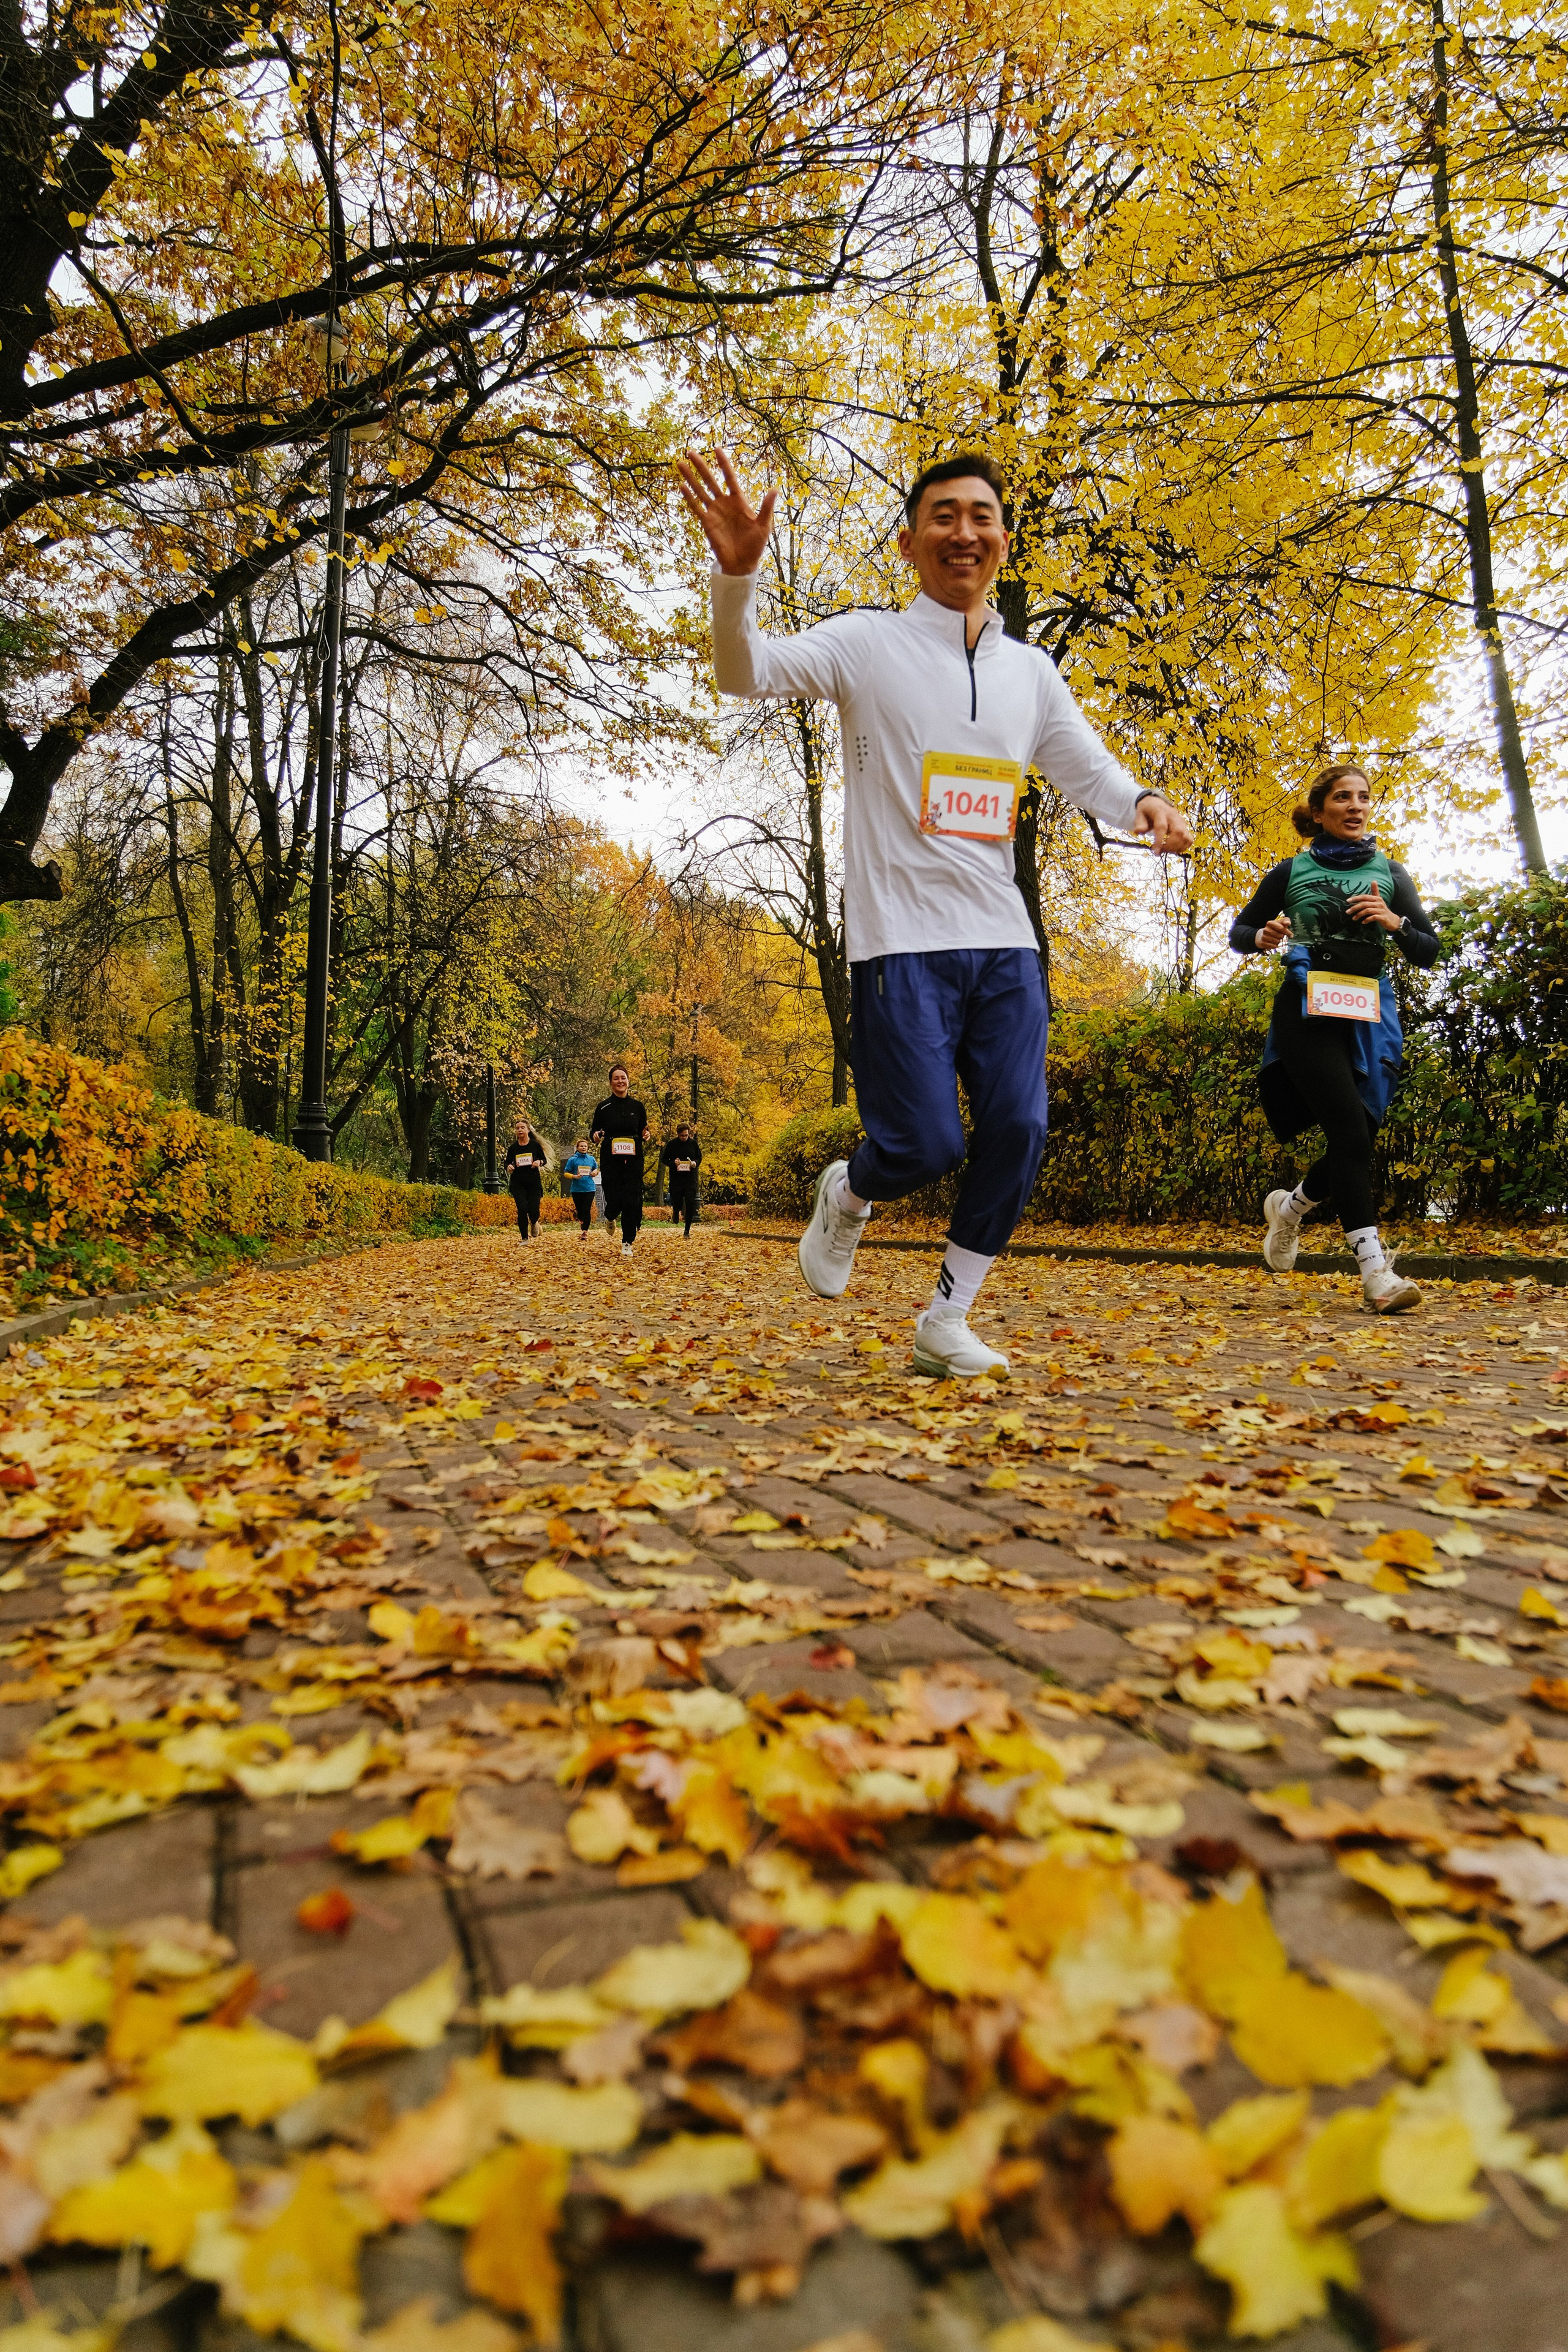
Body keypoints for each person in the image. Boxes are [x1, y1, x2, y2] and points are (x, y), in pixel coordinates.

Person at [677, 445, 1192, 1377]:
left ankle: (948, 1313)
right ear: (910, 541)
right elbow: (743, 672)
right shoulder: (866, 644)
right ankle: (852, 1190)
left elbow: (1088, 768)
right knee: (923, 1141)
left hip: (1002, 940)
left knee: (1020, 1128)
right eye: (945, 516)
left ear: (1003, 540)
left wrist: (1143, 804)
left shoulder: (1030, 673)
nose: (966, 531)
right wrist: (737, 577)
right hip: (899, 942)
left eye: (982, 517)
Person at [1230, 763, 1440, 1313]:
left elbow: (1429, 949)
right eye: (1342, 798)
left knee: (1358, 1138)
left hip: (1371, 1013)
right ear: (1320, 811)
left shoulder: (1391, 872)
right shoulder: (1289, 870)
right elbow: (1240, 932)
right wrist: (1264, 933)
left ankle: (1290, 1211)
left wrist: (1395, 924)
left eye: (1363, 798)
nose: (1355, 806)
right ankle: (1377, 1274)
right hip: (1308, 1011)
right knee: (1348, 1131)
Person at [590, 1066, 651, 1257]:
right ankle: (610, 1216)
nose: (620, 1081)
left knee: (632, 1199)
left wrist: (646, 1135)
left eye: (623, 1078)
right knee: (614, 1197)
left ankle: (627, 1241)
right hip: (611, 1156)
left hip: (634, 1156)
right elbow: (593, 1133)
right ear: (611, 1083)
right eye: (616, 1079)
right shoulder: (603, 1107)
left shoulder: (638, 1107)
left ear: (628, 1081)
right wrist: (597, 1135)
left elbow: (644, 1130)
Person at [503, 1117, 549, 1242]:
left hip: (533, 1183)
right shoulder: (513, 1148)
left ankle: (534, 1223)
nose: (520, 1130)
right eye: (517, 1128)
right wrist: (509, 1166)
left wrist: (539, 1162)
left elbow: (544, 1160)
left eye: (522, 1128)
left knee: (534, 1211)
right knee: (522, 1209)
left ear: (528, 1130)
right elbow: (507, 1162)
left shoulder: (535, 1145)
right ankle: (524, 1238)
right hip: (518, 1183)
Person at [659, 1123, 703, 1238]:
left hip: (690, 1180)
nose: (684, 1137)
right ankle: (676, 1210)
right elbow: (664, 1159)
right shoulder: (672, 1144)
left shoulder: (693, 1144)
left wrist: (695, 1163)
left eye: (686, 1135)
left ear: (689, 1134)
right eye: (682, 1135)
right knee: (677, 1201)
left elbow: (699, 1158)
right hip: (676, 1180)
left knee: (690, 1204)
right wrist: (673, 1163)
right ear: (678, 1134)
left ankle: (687, 1231)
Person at [561, 1137, 599, 1239]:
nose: (584, 1148)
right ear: (577, 1148)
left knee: (587, 1209)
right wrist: (574, 1176)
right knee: (580, 1211)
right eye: (581, 1146)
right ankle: (581, 1220)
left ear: (587, 1148)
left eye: (585, 1146)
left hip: (590, 1188)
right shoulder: (572, 1160)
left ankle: (585, 1232)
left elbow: (596, 1169)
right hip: (577, 1189)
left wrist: (595, 1172)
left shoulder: (591, 1159)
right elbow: (566, 1173)